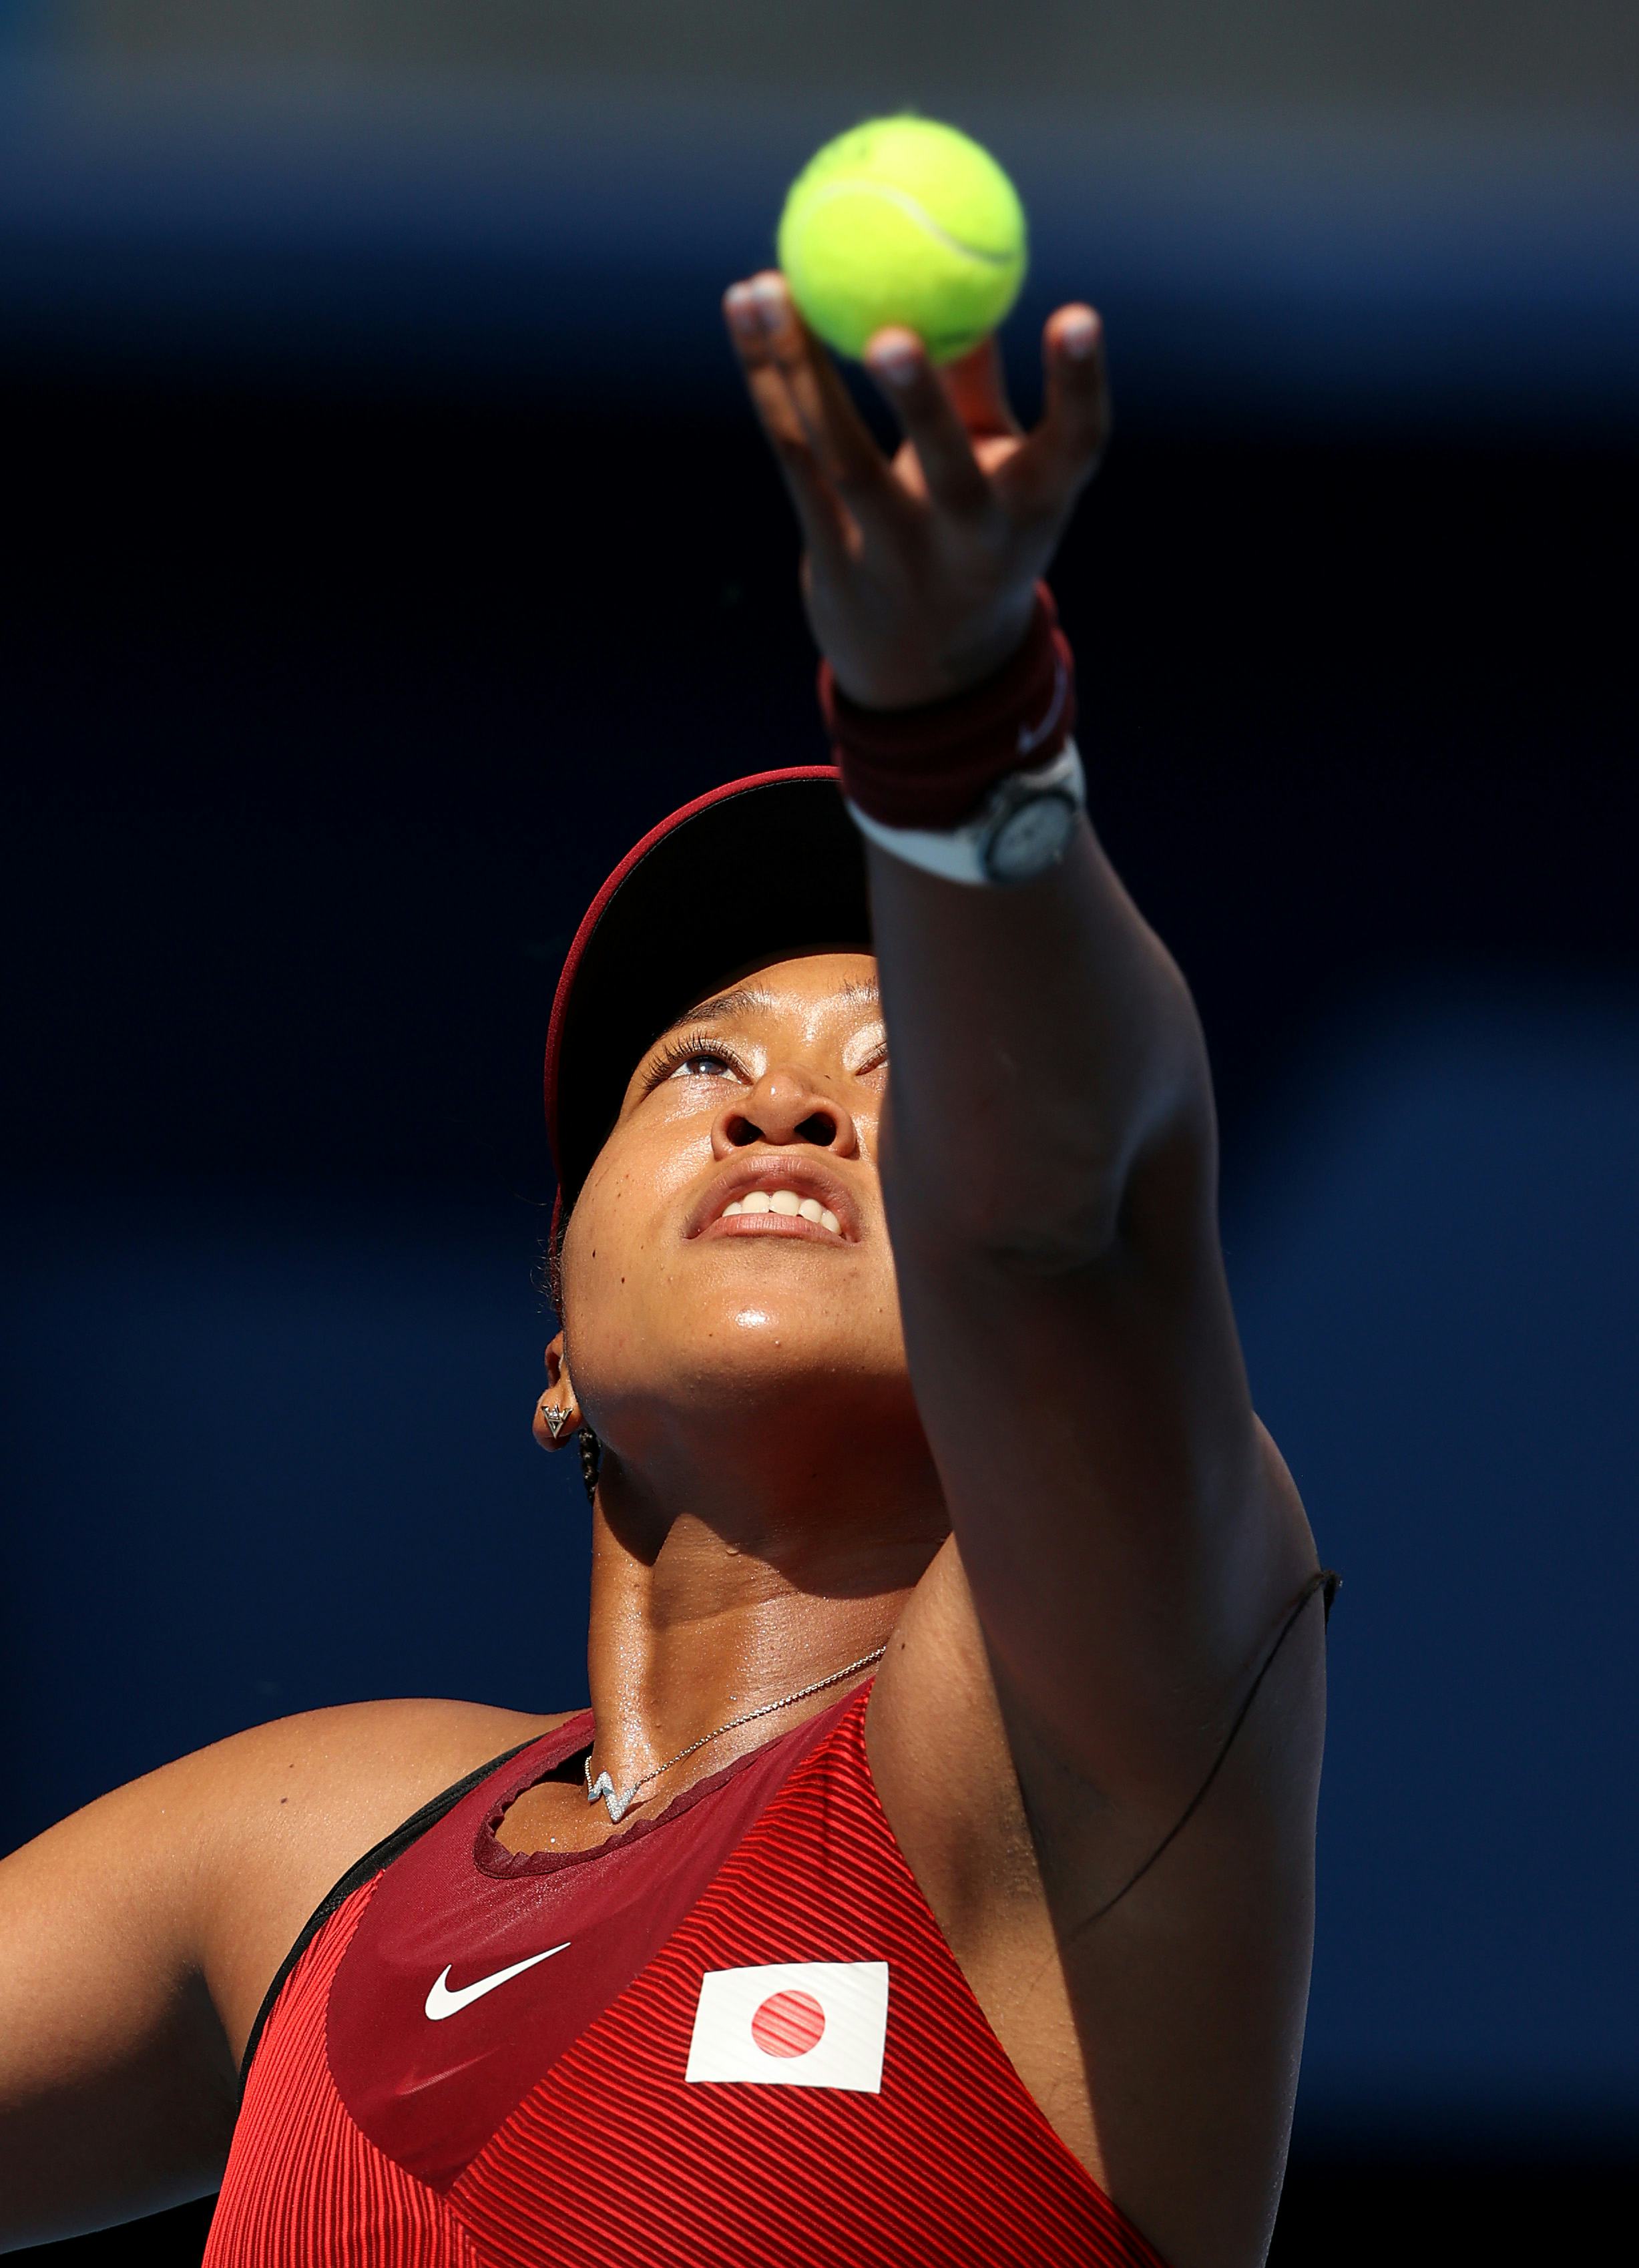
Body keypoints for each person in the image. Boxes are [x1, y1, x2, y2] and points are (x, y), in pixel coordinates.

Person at [0, 273, 1331, 2268]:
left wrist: (959, 720)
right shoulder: (315, 1845)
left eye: (906, 1081)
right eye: (702, 1061)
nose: (783, 1110)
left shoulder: (1057, 1744)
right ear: (555, 1343)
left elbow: (1080, 1231)